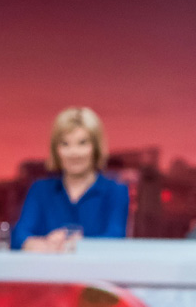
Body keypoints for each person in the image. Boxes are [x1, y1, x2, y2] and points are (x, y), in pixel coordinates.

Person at [12, 107, 129, 252]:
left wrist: (79, 245)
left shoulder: (116, 192)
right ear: (56, 149)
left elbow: (115, 238)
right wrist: (44, 244)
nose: (74, 153)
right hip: (47, 266)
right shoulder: (40, 190)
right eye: (65, 144)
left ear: (96, 147)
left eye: (82, 143)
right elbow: (19, 236)